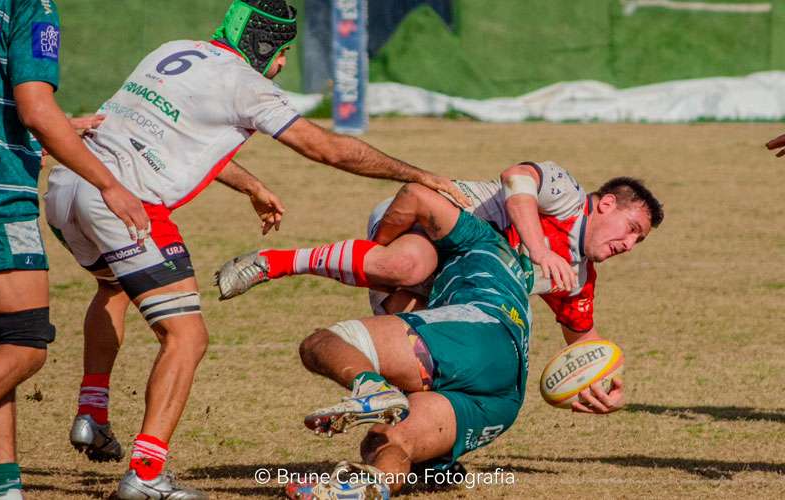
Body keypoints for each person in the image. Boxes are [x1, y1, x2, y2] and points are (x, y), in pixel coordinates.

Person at [43, 0, 467, 498]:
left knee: (110, 288)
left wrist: (250, 186)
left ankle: (92, 411)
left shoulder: (174, 50)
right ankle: (147, 473)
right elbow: (327, 148)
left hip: (69, 184)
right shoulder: (250, 86)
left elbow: (175, 136)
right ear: (266, 46)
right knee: (187, 337)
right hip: (124, 201)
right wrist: (417, 174)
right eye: (282, 51)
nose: (284, 63)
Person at [216, 161, 664, 413]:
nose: (628, 244)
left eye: (638, 242)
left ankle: (421, 458)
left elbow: (583, 339)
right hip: (429, 224)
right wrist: (540, 249)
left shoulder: (579, 275)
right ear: (606, 204)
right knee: (406, 265)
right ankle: (272, 262)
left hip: (453, 279)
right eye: (630, 228)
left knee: (420, 361)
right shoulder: (566, 191)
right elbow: (517, 179)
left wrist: (603, 381)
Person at [282, 184, 551, 499]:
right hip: (503, 397)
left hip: (481, 333)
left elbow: (415, 194)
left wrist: (380, 247)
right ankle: (369, 486)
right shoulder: (499, 270)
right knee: (385, 443)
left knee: (324, 343)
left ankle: (372, 388)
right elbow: (415, 341)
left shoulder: (481, 237)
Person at [0, 1, 148, 498]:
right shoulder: (29, 4)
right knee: (24, 344)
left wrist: (53, 131)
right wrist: (109, 184)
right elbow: (35, 109)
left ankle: (6, 487)